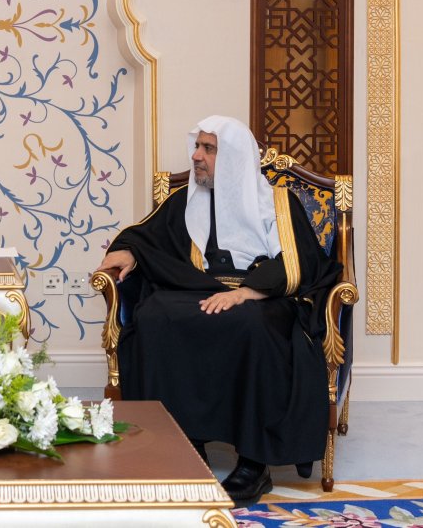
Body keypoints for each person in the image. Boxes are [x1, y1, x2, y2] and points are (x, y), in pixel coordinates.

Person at [95, 115, 340, 507]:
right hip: (198, 289)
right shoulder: (185, 201)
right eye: (197, 147)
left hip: (263, 297)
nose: (196, 156)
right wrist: (128, 252)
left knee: (252, 325)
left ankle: (254, 465)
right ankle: (186, 448)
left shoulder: (278, 203)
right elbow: (147, 235)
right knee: (156, 316)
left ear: (235, 159)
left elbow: (302, 261)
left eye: (208, 149)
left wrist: (246, 294)